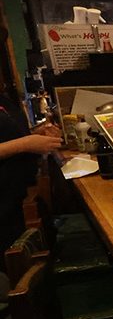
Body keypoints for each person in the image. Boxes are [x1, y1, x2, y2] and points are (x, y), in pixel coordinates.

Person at [0, 94, 61, 251]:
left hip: (17, 196)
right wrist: (25, 143)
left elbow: (8, 135)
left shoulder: (4, 99)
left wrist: (36, 134)